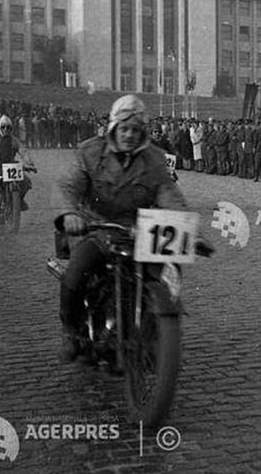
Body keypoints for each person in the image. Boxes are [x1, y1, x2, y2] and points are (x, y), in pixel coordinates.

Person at [56, 94, 211, 362]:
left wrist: (192, 232)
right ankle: (73, 332)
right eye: (124, 129)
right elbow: (69, 186)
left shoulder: (154, 159)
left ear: (143, 132)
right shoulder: (91, 151)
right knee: (76, 271)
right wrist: (70, 214)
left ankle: (152, 330)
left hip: (138, 231)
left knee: (164, 276)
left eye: (135, 130)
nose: (129, 135)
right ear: (114, 127)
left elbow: (169, 194)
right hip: (96, 226)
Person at [0, 115, 35, 214]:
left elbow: (23, 151)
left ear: (11, 128)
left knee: (26, 182)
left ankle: (20, 200)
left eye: (8, 127)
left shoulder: (15, 140)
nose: (6, 130)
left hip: (12, 165)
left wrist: (29, 163)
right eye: (3, 127)